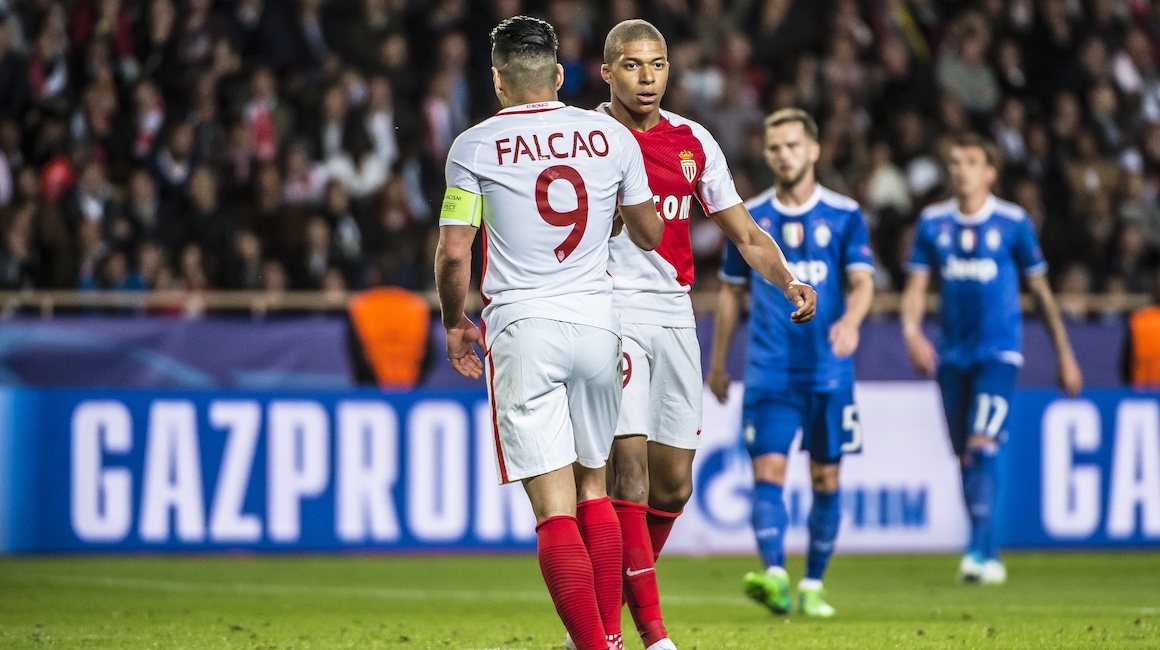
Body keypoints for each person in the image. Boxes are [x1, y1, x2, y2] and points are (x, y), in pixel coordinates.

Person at [434, 16, 663, 650]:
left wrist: (453, 320)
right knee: (596, 489)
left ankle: (594, 647)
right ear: (560, 75)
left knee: (554, 508)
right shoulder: (610, 136)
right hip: (598, 325)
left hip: (524, 328)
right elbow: (649, 232)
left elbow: (454, 251)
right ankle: (611, 639)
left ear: (497, 80)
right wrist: (608, 216)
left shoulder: (474, 146)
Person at [590, 19, 817, 650]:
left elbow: (744, 233)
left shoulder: (693, 141)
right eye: (632, 65)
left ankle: (602, 611)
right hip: (608, 312)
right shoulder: (585, 138)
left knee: (673, 485)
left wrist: (788, 280)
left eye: (657, 65)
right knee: (628, 474)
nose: (647, 78)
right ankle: (647, 636)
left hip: (674, 315)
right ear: (606, 72)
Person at [708, 108, 875, 618]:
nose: (784, 155)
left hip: (828, 371)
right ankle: (777, 576)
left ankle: (814, 584)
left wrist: (852, 322)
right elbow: (730, 293)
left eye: (793, 145)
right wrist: (718, 362)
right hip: (770, 371)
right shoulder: (747, 216)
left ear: (814, 150)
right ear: (766, 154)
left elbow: (863, 281)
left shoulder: (845, 214)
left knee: (826, 479)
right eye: (775, 147)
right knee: (768, 473)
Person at [901, 133, 1083, 584]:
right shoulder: (932, 223)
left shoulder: (1013, 222)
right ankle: (989, 551)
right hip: (952, 355)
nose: (960, 170)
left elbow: (1040, 292)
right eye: (955, 162)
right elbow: (917, 286)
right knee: (966, 456)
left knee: (983, 444)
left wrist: (1064, 354)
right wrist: (911, 331)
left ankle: (974, 553)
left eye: (971, 162)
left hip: (999, 353)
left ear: (990, 173)